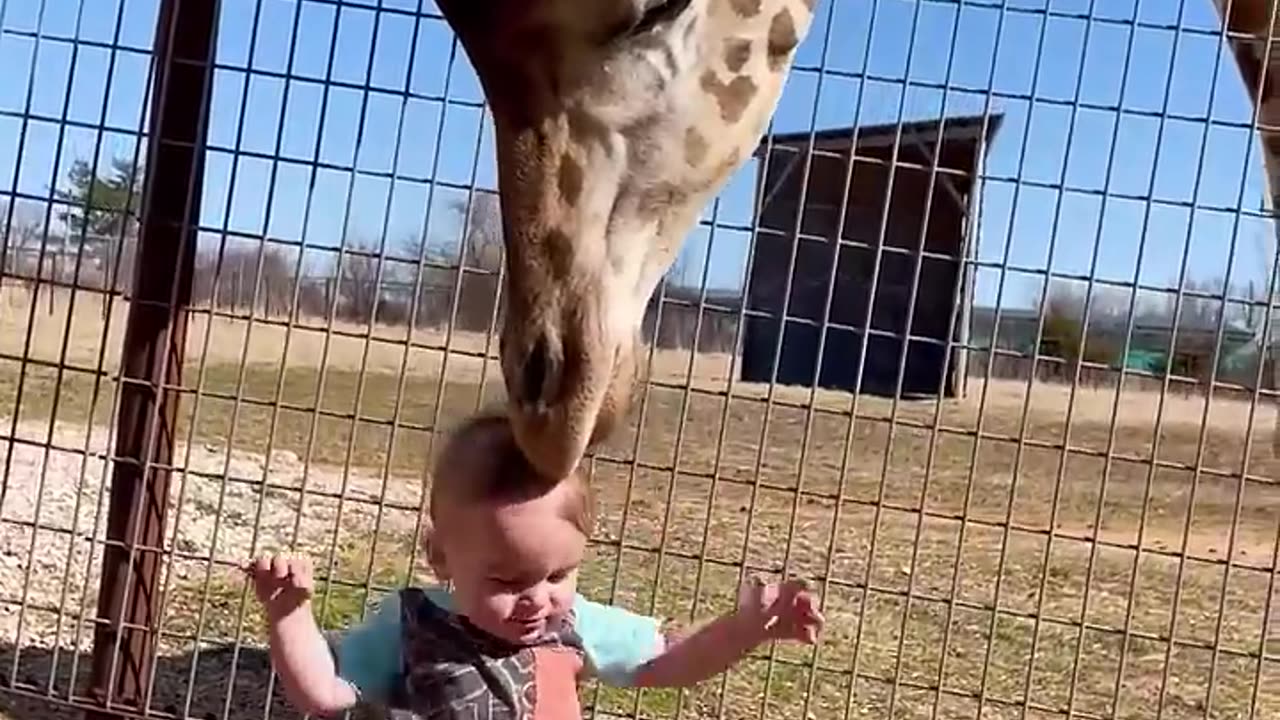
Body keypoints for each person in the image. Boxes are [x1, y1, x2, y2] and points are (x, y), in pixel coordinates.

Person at [243, 411, 824, 718]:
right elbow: (324, 693)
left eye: (558, 574)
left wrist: (746, 630)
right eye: (506, 580)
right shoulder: (409, 626)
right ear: (441, 556)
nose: (538, 598)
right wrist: (290, 615)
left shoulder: (573, 627)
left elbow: (669, 660)